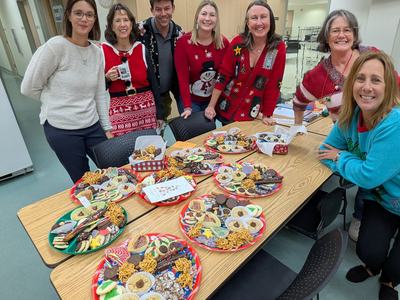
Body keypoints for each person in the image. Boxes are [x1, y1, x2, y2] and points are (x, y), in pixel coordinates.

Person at [318, 51, 400, 300]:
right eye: (360, 78)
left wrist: (342, 158)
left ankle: (389, 282)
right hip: (382, 199)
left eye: (376, 80)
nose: (366, 87)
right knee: (368, 251)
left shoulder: (394, 123)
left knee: (396, 268)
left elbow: (368, 176)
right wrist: (353, 165)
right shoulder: (351, 116)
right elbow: (324, 152)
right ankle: (373, 267)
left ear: (388, 87)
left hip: (383, 191)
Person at [292, 9, 379, 241]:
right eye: (335, 30)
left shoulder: (371, 57)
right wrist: (298, 127)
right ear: (326, 36)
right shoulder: (319, 74)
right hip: (349, 139)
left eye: (347, 30)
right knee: (330, 158)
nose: (342, 35)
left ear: (354, 34)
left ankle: (362, 216)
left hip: (380, 132)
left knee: (375, 179)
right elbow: (299, 101)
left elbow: (395, 87)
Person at [20, 0, 111, 183]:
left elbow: (100, 94)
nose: (84, 19)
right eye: (78, 13)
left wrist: (107, 128)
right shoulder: (55, 47)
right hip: (62, 129)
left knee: (112, 169)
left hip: (92, 124)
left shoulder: (97, 51)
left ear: (94, 19)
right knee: (84, 182)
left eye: (89, 14)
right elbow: (28, 88)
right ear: (68, 15)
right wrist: (56, 100)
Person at [204, 0, 286, 125]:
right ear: (248, 23)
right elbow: (223, 76)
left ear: (271, 21)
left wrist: (267, 114)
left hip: (253, 113)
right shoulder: (238, 43)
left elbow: (274, 84)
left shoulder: (278, 48)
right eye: (254, 18)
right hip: (228, 109)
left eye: (263, 17)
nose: (259, 22)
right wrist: (211, 106)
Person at [102, 3, 162, 137]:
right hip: (119, 114)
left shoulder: (141, 49)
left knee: (150, 151)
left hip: (147, 111)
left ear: (131, 24)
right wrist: (107, 79)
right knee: (123, 153)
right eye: (117, 20)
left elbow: (154, 83)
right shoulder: (103, 51)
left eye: (126, 20)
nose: (122, 24)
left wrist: (160, 112)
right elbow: (97, 89)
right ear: (111, 26)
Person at [174, 0, 228, 119]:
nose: (207, 18)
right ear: (197, 17)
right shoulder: (183, 43)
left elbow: (224, 76)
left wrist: (212, 105)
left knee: (211, 130)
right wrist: (187, 106)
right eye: (204, 14)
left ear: (216, 19)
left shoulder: (223, 43)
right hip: (191, 99)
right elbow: (182, 78)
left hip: (213, 99)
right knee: (197, 129)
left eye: (212, 15)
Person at [138, 0, 184, 130]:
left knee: (160, 132)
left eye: (167, 8)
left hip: (165, 94)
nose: (163, 13)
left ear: (173, 8)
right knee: (148, 136)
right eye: (158, 9)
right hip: (145, 96)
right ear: (152, 10)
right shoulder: (139, 31)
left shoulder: (179, 33)